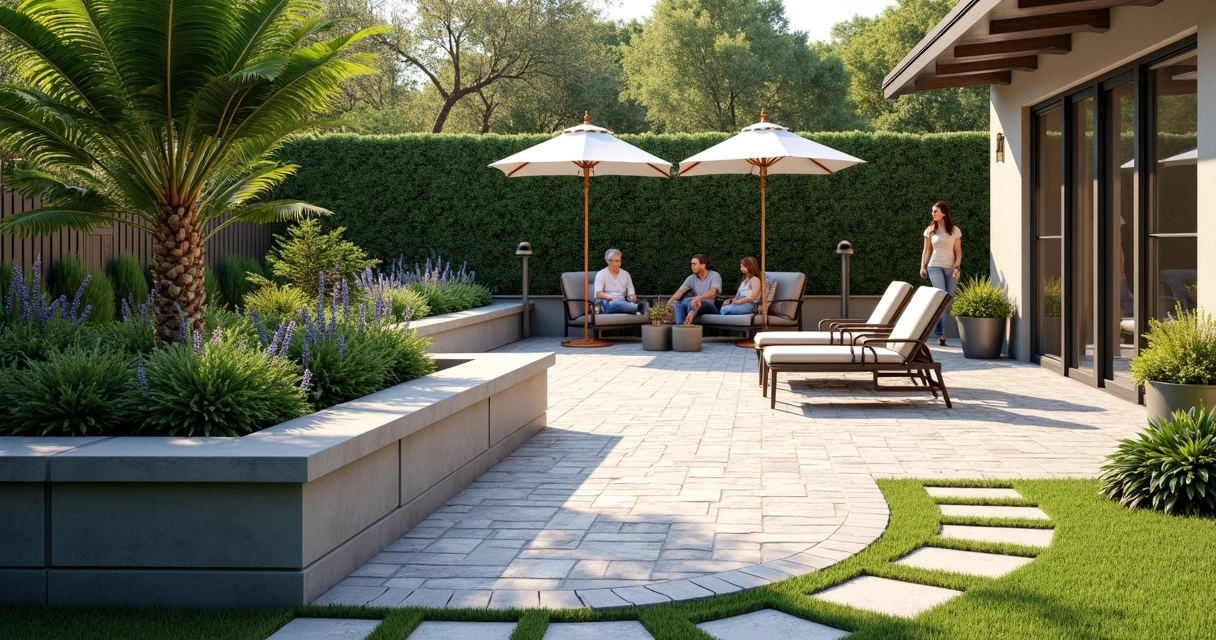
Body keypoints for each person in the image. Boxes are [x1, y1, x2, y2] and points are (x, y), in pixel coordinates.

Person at [920, 201, 962, 346]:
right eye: (932, 211)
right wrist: (923, 267)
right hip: (934, 267)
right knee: (941, 296)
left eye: (935, 211)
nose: (933, 214)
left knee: (947, 299)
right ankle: (941, 334)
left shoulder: (954, 230)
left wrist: (956, 267)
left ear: (944, 213)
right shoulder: (930, 230)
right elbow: (926, 250)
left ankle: (936, 330)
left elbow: (958, 252)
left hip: (950, 268)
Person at [667, 254, 721, 324]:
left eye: (694, 264)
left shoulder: (714, 275)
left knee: (696, 301)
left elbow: (713, 292)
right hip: (695, 305)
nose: (692, 266)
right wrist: (669, 303)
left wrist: (698, 298)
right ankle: (681, 328)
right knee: (677, 304)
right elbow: (680, 291)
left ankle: (690, 317)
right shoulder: (691, 278)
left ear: (703, 265)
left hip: (709, 305)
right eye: (691, 264)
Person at [594, 248, 645, 314]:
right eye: (616, 261)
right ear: (609, 261)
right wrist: (609, 296)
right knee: (617, 304)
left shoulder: (626, 274)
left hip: (623, 301)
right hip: (608, 303)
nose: (619, 263)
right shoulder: (601, 274)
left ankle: (634, 308)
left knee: (623, 304)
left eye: (620, 261)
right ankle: (637, 308)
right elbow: (598, 294)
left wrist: (632, 295)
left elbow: (630, 289)